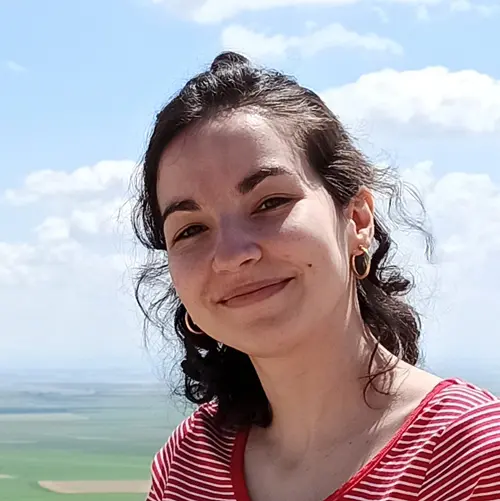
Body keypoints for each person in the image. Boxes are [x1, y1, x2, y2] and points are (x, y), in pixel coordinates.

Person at [132, 52, 500, 501]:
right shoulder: (190, 463)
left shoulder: (473, 457)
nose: (231, 255)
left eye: (270, 203)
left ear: (358, 220)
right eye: (190, 230)